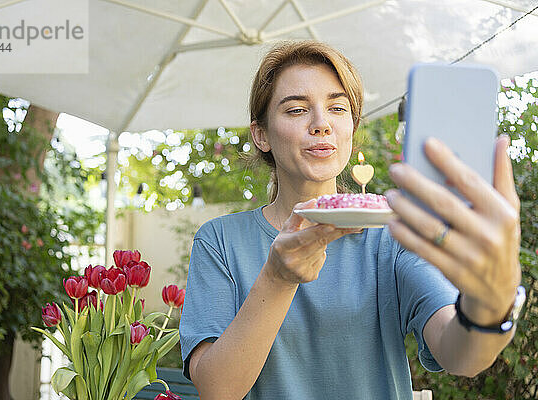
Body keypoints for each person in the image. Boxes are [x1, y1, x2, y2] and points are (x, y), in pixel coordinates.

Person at [179, 40, 523, 399]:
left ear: (352, 128)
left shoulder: (392, 234)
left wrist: (490, 306)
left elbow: (462, 356)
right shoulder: (219, 240)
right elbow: (217, 389)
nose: (321, 124)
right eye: (297, 110)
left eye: (337, 108)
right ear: (261, 134)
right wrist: (277, 278)